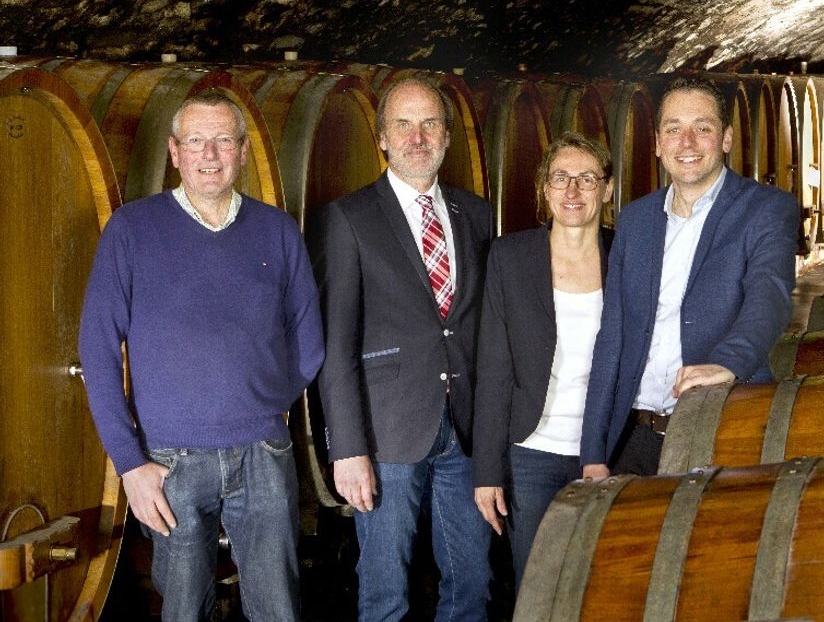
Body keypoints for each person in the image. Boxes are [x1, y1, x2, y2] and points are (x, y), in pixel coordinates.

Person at [78, 90, 325, 622]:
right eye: (195, 140)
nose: (208, 154)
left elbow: (309, 339)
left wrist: (264, 405)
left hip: (262, 453)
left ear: (240, 151)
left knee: (278, 609)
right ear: (173, 152)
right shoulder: (131, 230)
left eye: (222, 140)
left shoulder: (277, 229)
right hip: (169, 463)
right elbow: (96, 349)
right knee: (183, 610)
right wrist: (129, 465)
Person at [308, 77, 493, 622]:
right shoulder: (348, 218)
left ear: (447, 137)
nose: (418, 136)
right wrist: (347, 448)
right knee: (385, 591)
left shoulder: (475, 214)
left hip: (465, 429)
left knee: (472, 583)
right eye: (403, 124)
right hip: (385, 433)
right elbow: (335, 345)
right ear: (382, 137)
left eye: (430, 123)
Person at [580, 77, 798, 478]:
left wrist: (727, 363)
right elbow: (612, 333)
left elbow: (769, 296)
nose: (687, 142)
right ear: (658, 143)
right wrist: (594, 449)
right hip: (635, 436)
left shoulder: (767, 209)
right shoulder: (636, 218)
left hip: (723, 426)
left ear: (726, 139)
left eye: (703, 128)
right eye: (674, 129)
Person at [472, 133, 614, 590]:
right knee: (537, 590)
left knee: (604, 587)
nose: (572, 191)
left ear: (607, 189)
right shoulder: (509, 257)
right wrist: (488, 471)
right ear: (544, 187)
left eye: (586, 179)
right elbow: (493, 370)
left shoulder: (627, 255)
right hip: (533, 453)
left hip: (610, 449)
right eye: (561, 178)